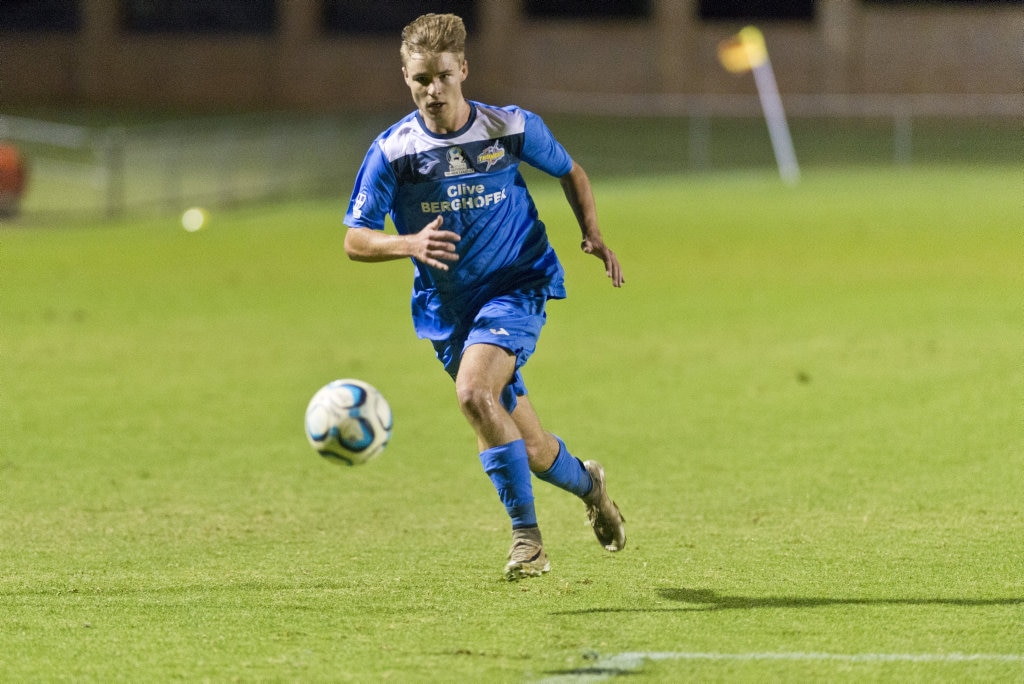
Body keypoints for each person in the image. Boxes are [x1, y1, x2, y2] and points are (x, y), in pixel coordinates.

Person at [342, 13, 625, 581]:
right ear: (405, 77)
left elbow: (572, 171)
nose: (433, 90)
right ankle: (591, 487)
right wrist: (408, 242)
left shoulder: (509, 128)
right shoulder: (393, 151)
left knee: (474, 393)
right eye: (420, 78)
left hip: (517, 285)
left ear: (463, 70)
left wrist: (591, 232)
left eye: (443, 76)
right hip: (450, 311)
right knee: (535, 447)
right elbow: (355, 238)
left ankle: (528, 541)